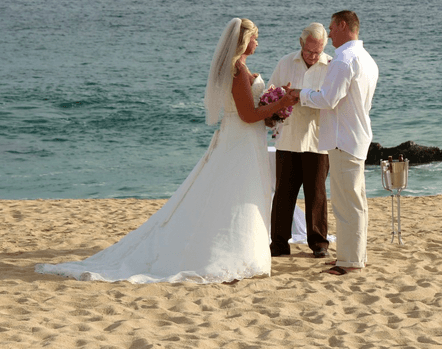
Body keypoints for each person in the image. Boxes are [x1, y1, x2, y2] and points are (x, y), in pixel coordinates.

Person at [35, 18, 297, 284]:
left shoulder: (241, 68)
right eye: (255, 37)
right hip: (239, 141)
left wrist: (275, 108)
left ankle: (244, 252)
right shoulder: (237, 71)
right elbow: (247, 114)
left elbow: (253, 113)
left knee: (240, 194)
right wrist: (282, 102)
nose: (257, 42)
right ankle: (230, 254)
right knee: (236, 194)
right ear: (243, 41)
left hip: (245, 141)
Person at [290, 10, 379, 275]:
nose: (329, 34)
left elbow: (329, 99)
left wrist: (300, 94)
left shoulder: (344, 60)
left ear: (343, 25)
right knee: (355, 200)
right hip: (357, 135)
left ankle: (350, 261)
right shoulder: (367, 59)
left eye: (331, 28)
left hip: (343, 138)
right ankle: (354, 256)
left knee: (346, 203)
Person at [268, 23, 332, 258]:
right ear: (301, 44)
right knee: (284, 193)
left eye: (318, 52)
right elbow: (269, 94)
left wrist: (304, 97)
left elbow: (332, 101)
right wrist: (284, 99)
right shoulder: (286, 62)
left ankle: (319, 244)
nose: (314, 57)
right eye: (309, 51)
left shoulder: (331, 65)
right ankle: (279, 244)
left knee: (317, 194)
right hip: (288, 137)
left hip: (318, 139)